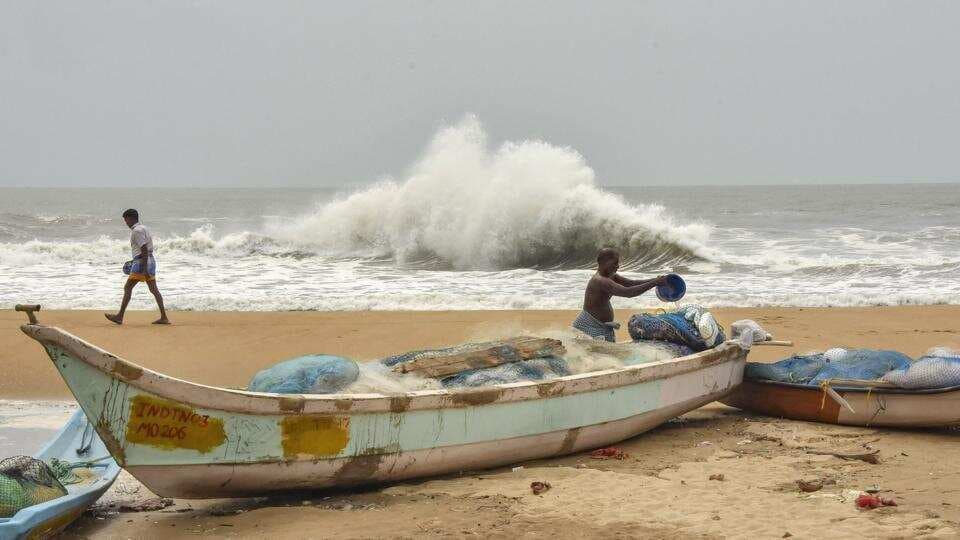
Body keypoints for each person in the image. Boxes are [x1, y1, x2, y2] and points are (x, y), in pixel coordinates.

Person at [573, 248, 667, 342]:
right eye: (615, 263)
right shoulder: (600, 281)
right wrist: (654, 283)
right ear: (605, 262)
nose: (618, 266)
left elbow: (631, 283)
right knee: (598, 355)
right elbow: (628, 292)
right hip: (589, 326)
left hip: (600, 327)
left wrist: (655, 280)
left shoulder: (611, 276)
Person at [105, 209, 170, 325]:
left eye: (126, 220)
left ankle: (119, 316)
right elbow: (145, 249)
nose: (125, 223)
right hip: (149, 260)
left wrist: (143, 268)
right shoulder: (143, 228)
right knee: (154, 290)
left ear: (131, 218)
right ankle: (164, 317)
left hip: (142, 262)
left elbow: (144, 248)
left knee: (127, 288)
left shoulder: (136, 231)